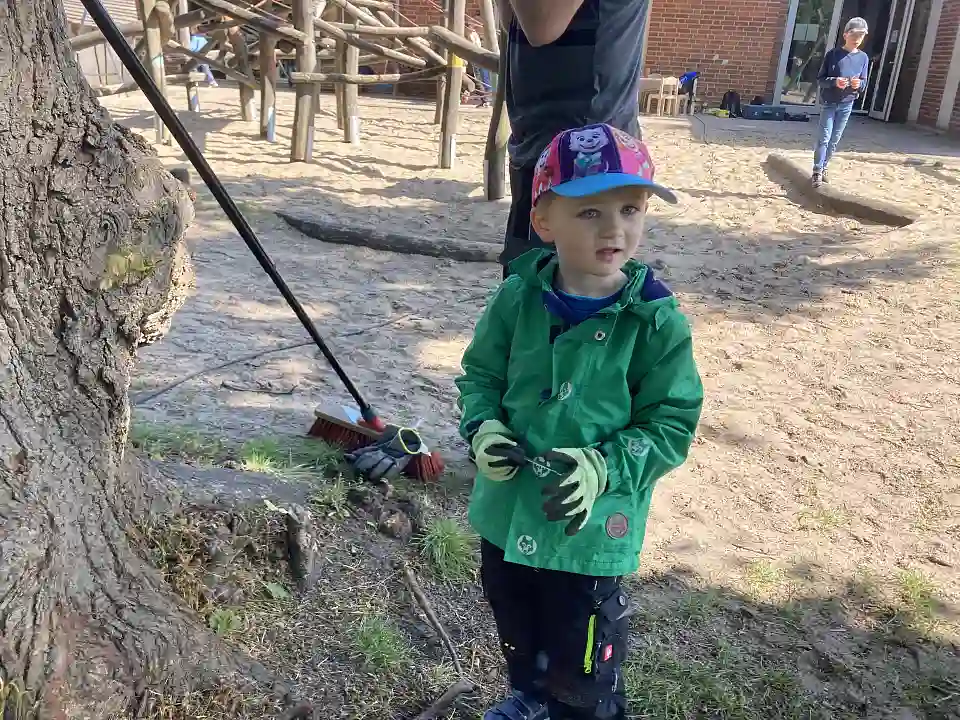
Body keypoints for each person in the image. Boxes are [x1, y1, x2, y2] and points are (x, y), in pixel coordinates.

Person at [456, 123, 703, 720]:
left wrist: (603, 467)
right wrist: (482, 429)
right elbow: (480, 376)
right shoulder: (516, 297)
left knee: (584, 653)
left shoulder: (656, 322)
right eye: (590, 211)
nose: (614, 229)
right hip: (508, 513)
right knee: (515, 617)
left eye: (630, 209)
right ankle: (529, 696)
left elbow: (672, 423)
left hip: (590, 533)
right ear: (544, 221)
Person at [496, 0, 649, 279]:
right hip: (540, 138)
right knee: (525, 289)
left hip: (584, 151)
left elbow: (541, 25)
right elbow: (514, 20)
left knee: (561, 292)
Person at [812, 17, 870, 187]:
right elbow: (820, 79)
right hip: (830, 102)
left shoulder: (863, 58)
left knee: (834, 139)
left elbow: (864, 83)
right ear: (845, 35)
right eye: (854, 35)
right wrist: (834, 81)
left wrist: (859, 84)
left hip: (847, 103)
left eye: (861, 36)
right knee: (824, 137)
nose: (857, 39)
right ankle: (817, 170)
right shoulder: (833, 55)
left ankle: (824, 167)